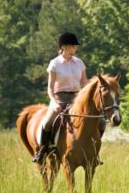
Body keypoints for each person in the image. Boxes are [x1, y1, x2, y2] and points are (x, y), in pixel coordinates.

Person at [32, 32, 90, 163]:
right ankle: (42, 150)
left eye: (75, 47)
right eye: (72, 46)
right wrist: (54, 102)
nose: (75, 49)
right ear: (63, 47)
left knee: (100, 122)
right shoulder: (55, 64)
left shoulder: (80, 63)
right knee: (47, 122)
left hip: (76, 99)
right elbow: (50, 88)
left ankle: (93, 152)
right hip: (59, 98)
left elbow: (84, 83)